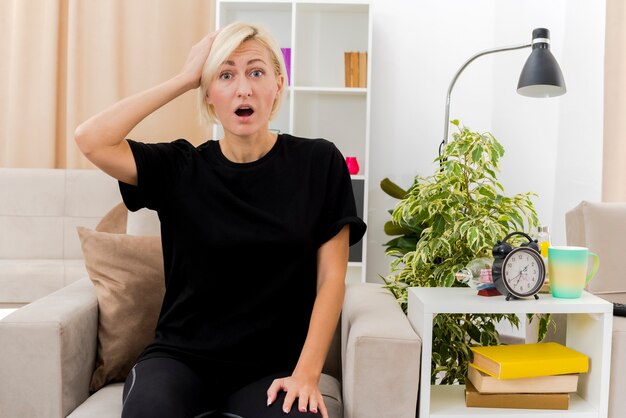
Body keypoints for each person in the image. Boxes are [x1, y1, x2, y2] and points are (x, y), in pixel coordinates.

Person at [74, 21, 366, 418]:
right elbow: (91, 138)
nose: (243, 88)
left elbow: (332, 278)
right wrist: (183, 79)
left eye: (256, 72)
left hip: (273, 368)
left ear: (278, 84)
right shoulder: (180, 167)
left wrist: (306, 373)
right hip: (179, 360)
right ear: (209, 94)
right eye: (225, 75)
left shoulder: (319, 162)